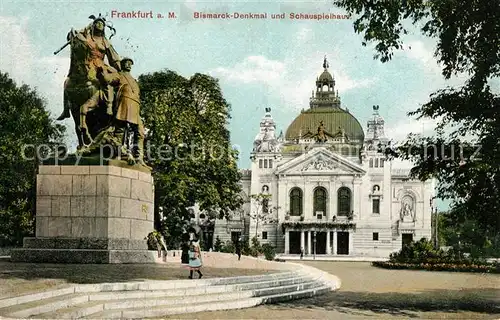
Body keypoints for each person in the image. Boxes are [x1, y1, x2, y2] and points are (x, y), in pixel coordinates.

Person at [57, 14, 121, 121]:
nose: (100, 25)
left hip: (100, 65)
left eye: (102, 24)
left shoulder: (105, 42)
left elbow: (113, 57)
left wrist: (119, 67)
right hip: (87, 63)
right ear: (93, 25)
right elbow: (76, 37)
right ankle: (66, 109)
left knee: (109, 79)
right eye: (98, 23)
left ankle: (110, 105)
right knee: (67, 82)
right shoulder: (87, 36)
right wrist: (72, 33)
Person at [100, 57, 145, 165]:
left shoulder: (133, 79)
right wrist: (103, 70)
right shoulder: (119, 75)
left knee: (140, 133)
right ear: (122, 64)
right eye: (126, 63)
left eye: (130, 63)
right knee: (120, 131)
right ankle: (119, 154)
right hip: (124, 105)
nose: (129, 65)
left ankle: (139, 158)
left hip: (135, 107)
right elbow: (108, 80)